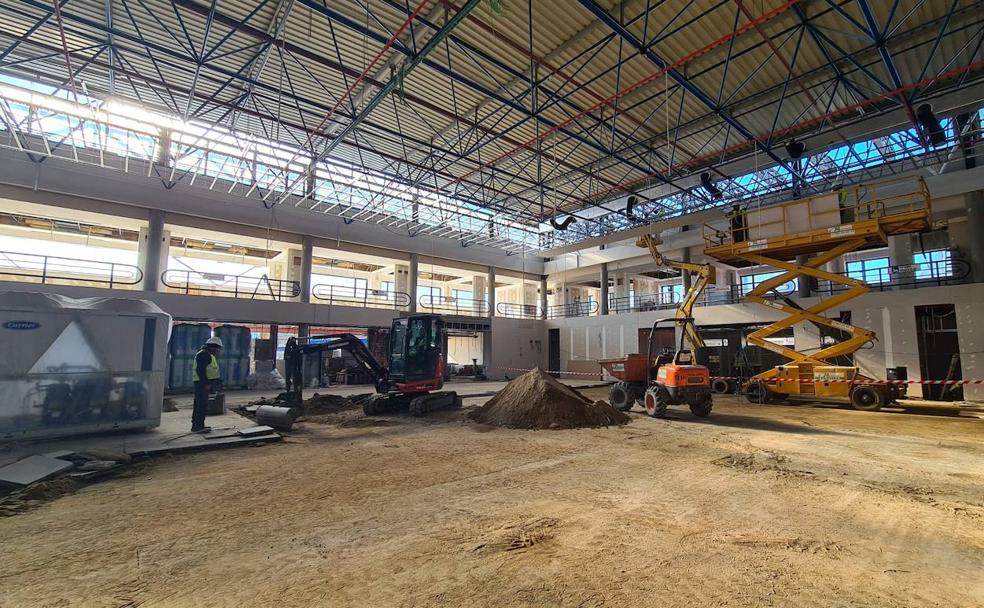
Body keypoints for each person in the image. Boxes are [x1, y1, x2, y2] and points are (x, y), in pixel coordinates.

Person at [191, 336, 223, 433]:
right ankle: (198, 427)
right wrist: (206, 383)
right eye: (218, 349)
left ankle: (198, 425)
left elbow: (211, 370)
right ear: (213, 347)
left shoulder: (207, 354)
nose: (218, 351)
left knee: (201, 405)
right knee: (201, 405)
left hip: (203, 383)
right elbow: (200, 370)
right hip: (202, 384)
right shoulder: (204, 354)